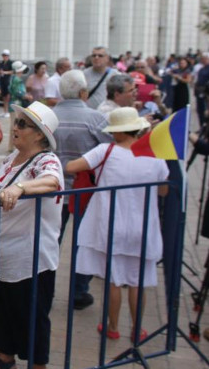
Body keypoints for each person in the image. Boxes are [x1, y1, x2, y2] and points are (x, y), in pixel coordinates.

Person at [0, 101, 63, 369]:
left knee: (32, 317)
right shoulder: (12, 158)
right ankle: (5, 358)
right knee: (2, 310)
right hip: (2, 253)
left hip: (30, 259)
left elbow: (52, 181)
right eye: (17, 120)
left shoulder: (46, 159)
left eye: (23, 123)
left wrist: (21, 188)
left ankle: (37, 365)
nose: (15, 126)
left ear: (39, 134)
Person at [66, 107, 168, 342]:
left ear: (119, 131)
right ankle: (137, 329)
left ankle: (112, 326)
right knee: (137, 281)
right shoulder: (154, 155)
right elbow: (163, 190)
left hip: (112, 223)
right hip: (143, 226)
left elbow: (71, 167)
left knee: (114, 279)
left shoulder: (106, 151)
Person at [51, 70, 111, 310]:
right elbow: (108, 153)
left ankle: (46, 288)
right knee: (83, 241)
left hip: (53, 190)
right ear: (84, 92)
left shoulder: (50, 117)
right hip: (86, 191)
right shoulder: (96, 119)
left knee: (51, 241)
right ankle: (79, 291)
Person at [7, 61, 32, 151]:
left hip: (12, 104)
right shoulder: (17, 79)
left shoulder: (12, 78)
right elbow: (19, 93)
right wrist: (27, 96)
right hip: (17, 104)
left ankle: (11, 146)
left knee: (13, 125)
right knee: (15, 126)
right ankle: (13, 146)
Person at [0, 50, 14, 117]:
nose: (4, 57)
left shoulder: (10, 63)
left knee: (7, 97)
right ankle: (4, 111)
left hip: (8, 81)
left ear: (8, 56)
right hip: (2, 81)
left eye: (6, 55)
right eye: (3, 55)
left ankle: (8, 111)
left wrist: (5, 72)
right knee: (3, 97)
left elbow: (12, 71)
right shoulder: (1, 63)